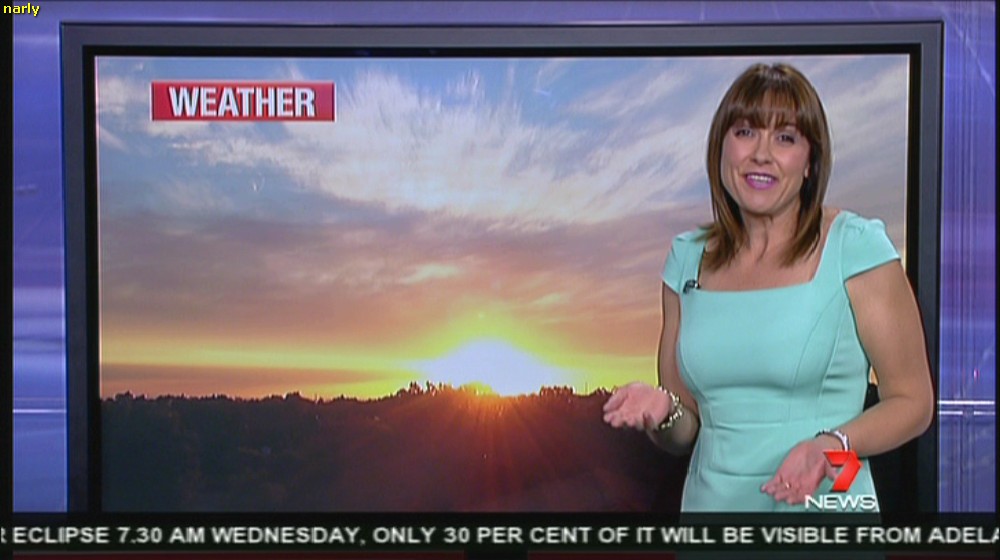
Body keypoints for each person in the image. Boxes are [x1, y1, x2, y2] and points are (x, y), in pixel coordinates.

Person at [602, 63, 934, 512]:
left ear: (810, 161)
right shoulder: (685, 258)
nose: (761, 154)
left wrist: (831, 446)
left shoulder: (856, 247)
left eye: (785, 138)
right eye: (745, 132)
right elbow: (685, 431)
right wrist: (662, 411)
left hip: (824, 512)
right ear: (721, 149)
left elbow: (913, 403)